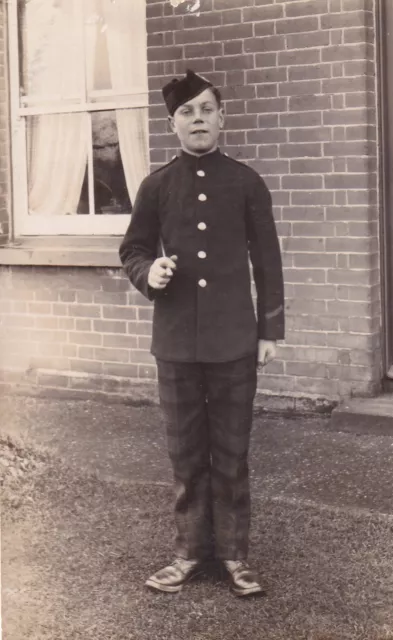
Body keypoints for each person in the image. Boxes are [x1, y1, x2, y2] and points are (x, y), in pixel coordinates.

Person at [119, 69, 285, 597]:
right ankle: (190, 552)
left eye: (207, 109)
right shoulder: (156, 185)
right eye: (187, 112)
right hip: (175, 343)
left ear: (222, 118)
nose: (198, 120)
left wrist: (269, 332)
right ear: (172, 123)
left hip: (235, 339)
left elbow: (269, 262)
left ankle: (236, 557)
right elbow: (133, 250)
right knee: (186, 453)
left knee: (232, 453)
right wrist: (150, 274)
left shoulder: (246, 181)